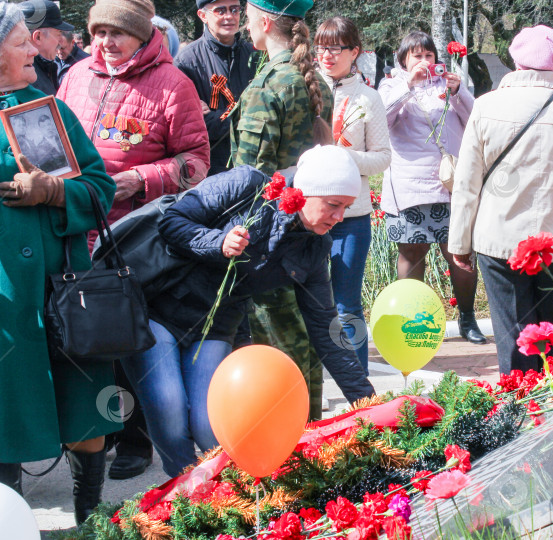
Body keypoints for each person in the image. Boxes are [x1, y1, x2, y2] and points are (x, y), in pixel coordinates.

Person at [126, 145, 376, 477]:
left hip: (216, 324)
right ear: (304, 193)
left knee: (209, 424)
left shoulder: (314, 247)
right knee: (169, 407)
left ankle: (220, 497)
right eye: (333, 205)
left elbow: (327, 331)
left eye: (345, 208)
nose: (339, 218)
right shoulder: (247, 185)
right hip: (161, 305)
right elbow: (172, 221)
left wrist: (371, 408)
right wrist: (218, 242)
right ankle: (183, 490)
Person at [57, 0, 210, 481]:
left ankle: (134, 440)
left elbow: (197, 162)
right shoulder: (76, 76)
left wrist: (142, 179)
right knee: (82, 334)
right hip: (76, 227)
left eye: (117, 33)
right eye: (99, 32)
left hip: (136, 237)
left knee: (127, 337)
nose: (106, 42)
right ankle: (92, 432)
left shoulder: (172, 84)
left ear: (143, 37)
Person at [0, 3, 119, 524]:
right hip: (6, 307)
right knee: (4, 424)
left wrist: (52, 191)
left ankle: (91, 521)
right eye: (22, 41)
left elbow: (101, 187)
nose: (35, 48)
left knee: (85, 414)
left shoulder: (45, 110)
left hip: (68, 297)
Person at [448, 25, 553, 373]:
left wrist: (460, 243)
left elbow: (466, 182)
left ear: (516, 63)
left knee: (513, 333)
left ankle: (519, 411)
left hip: (500, 239)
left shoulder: (486, 105)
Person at [231, 0, 346, 420]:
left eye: (247, 17)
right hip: (307, 231)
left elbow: (249, 179)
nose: (245, 26)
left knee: (278, 344)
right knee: (305, 338)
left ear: (264, 21)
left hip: (269, 236)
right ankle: (310, 436)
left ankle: (289, 445)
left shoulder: (269, 86)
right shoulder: (316, 82)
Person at [378, 31, 486, 345]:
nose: (425, 62)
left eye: (429, 55)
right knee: (411, 255)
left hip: (450, 187)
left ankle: (467, 320)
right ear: (403, 60)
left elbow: (476, 123)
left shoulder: (449, 85)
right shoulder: (391, 85)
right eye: (417, 56)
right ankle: (415, 325)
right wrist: (408, 85)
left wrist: (460, 92)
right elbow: (381, 120)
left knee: (460, 255)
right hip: (409, 189)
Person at [314, 16, 392, 373]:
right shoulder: (304, 88)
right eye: (321, 47)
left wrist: (344, 157)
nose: (327, 55)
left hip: (351, 217)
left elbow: (382, 157)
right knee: (309, 301)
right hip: (307, 215)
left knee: (346, 305)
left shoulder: (368, 98)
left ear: (354, 52)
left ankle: (357, 385)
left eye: (336, 48)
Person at [175, 0, 256, 176]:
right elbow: (192, 125)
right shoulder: (187, 62)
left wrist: (219, 116)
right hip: (210, 171)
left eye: (234, 10)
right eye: (220, 11)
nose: (229, 16)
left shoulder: (255, 55)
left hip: (253, 163)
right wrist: (248, 119)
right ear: (203, 16)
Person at [19, 0, 73, 95]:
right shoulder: (27, 80)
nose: (61, 41)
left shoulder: (39, 70)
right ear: (38, 37)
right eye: (58, 34)